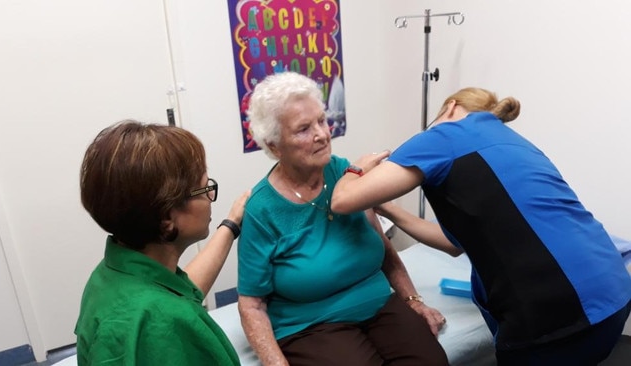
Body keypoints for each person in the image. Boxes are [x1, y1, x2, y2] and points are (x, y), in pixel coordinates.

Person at [331, 87, 631, 365]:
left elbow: (342, 201)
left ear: (450, 107)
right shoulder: (511, 140)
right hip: (614, 293)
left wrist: (354, 169)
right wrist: (389, 209)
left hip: (556, 318)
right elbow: (453, 244)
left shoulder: (444, 135)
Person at [236, 71, 449, 366]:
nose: (322, 134)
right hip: (311, 323)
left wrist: (413, 300)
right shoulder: (262, 209)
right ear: (274, 146)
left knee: (432, 362)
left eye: (322, 120)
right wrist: (276, 363)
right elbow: (251, 303)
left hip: (378, 303)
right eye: (303, 129)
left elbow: (383, 247)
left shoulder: (345, 173)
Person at [75, 120, 249, 366]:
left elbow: (180, 292)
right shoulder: (163, 324)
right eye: (203, 189)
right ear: (167, 218)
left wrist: (231, 223)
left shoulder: (110, 276)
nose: (210, 197)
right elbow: (169, 311)